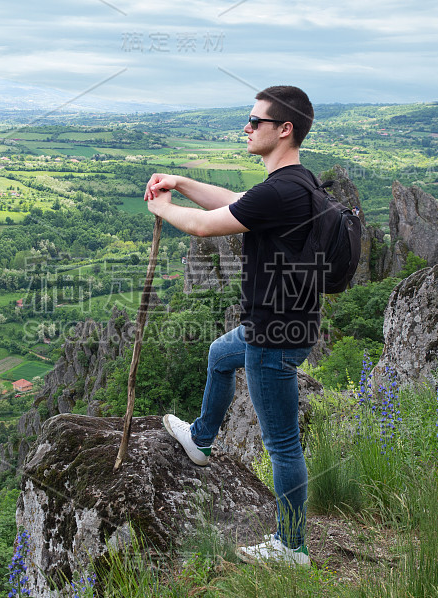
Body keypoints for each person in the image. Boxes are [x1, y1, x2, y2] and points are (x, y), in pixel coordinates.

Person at [144, 85, 319, 566]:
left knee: (282, 444)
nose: (246, 127)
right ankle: (202, 439)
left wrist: (160, 207)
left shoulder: (283, 191)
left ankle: (291, 546)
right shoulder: (296, 184)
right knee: (219, 357)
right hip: (285, 325)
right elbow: (232, 200)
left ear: (284, 129)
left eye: (254, 120)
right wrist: (179, 182)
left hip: (272, 335)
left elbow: (204, 226)